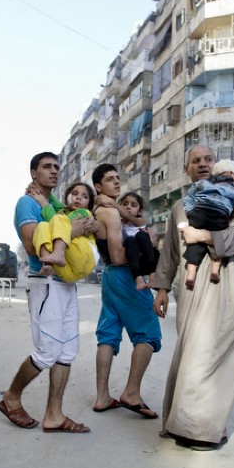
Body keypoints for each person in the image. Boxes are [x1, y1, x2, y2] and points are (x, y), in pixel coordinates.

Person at [153, 144, 234, 451]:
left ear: (217, 165)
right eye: (195, 160)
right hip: (192, 290)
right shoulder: (180, 207)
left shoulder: (232, 197)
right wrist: (161, 288)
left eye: (208, 159)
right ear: (187, 169)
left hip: (227, 285)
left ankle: (201, 430)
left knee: (215, 357)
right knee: (191, 355)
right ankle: (181, 423)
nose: (203, 164)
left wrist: (204, 237)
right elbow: (170, 251)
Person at [0, 152, 97, 434]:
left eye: (56, 167)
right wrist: (76, 229)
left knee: (67, 352)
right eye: (46, 167)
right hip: (45, 282)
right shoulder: (27, 203)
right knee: (47, 351)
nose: (54, 171)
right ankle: (11, 397)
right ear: (33, 173)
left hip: (67, 283)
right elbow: (31, 245)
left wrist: (89, 225)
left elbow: (86, 227)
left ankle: (54, 414)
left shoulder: (61, 208)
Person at [91, 163, 162, 419]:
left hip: (109, 277)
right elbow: (120, 256)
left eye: (118, 178)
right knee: (149, 332)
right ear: (99, 187)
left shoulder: (104, 211)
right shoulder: (109, 214)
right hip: (124, 277)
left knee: (108, 333)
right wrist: (146, 253)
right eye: (110, 180)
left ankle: (102, 397)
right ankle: (131, 393)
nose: (117, 182)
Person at [181, 159, 234, 289]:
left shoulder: (203, 183)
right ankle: (215, 269)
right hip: (218, 215)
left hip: (198, 214)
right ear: (231, 174)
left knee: (195, 244)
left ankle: (190, 274)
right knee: (220, 237)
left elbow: (190, 195)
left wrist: (191, 211)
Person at [30, 182, 98, 283]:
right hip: (68, 269)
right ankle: (48, 264)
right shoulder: (64, 211)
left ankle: (58, 252)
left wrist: (42, 201)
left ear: (89, 203)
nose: (78, 198)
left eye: (84, 196)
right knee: (42, 226)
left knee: (58, 219)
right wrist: (39, 189)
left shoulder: (84, 213)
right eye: (74, 194)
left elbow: (55, 220)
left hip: (85, 254)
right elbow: (56, 202)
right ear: (67, 197)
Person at [119, 191, 158, 291]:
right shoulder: (118, 223)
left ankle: (153, 274)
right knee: (130, 240)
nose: (128, 207)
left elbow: (152, 244)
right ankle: (138, 278)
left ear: (139, 211)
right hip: (131, 261)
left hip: (145, 261)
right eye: (125, 204)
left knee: (142, 235)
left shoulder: (141, 223)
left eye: (133, 205)